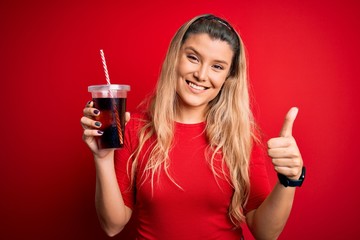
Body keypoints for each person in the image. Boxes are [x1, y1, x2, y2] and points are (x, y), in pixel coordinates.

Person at [81, 14, 305, 240]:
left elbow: (266, 233)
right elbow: (112, 225)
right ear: (175, 57)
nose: (201, 75)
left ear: (229, 77)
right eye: (193, 58)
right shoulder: (134, 129)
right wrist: (102, 158)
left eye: (217, 66)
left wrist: (289, 179)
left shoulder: (241, 137)